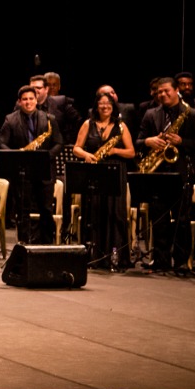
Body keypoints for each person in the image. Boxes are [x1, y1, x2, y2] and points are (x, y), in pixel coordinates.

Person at [137, 76, 195, 272]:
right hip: (158, 173)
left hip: (182, 173)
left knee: (182, 220)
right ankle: (160, 261)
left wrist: (182, 142)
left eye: (166, 91)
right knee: (158, 219)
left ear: (176, 90)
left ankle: (181, 262)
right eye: (159, 92)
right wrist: (148, 141)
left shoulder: (192, 114)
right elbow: (138, 140)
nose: (162, 94)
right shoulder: (151, 114)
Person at [70, 90, 136, 268]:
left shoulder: (121, 126)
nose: (105, 106)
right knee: (94, 213)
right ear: (96, 106)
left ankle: (114, 257)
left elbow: (131, 152)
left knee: (114, 215)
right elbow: (76, 148)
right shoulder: (87, 124)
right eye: (102, 103)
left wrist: (114, 151)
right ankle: (92, 256)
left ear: (113, 106)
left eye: (109, 103)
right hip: (94, 172)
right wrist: (86, 155)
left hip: (115, 173)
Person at [0, 85, 63, 244]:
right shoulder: (10, 119)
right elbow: (1, 143)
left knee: (46, 210)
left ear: (37, 100)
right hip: (22, 172)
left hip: (44, 170)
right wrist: (16, 155)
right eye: (25, 99)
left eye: (31, 99)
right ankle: (23, 245)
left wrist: (46, 156)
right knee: (22, 211)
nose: (28, 102)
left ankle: (47, 246)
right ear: (19, 102)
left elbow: (59, 143)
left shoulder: (49, 119)